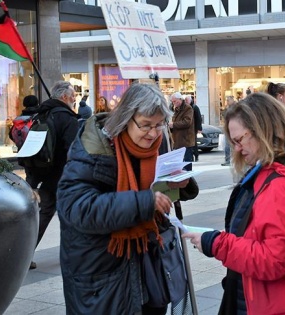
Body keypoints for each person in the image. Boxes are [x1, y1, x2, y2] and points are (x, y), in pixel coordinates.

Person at [182, 92, 285, 315]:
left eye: (240, 139)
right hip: (284, 298)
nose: (237, 149)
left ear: (263, 130)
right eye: (233, 142)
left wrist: (217, 244)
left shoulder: (281, 185)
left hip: (284, 303)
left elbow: (275, 259)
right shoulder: (282, 172)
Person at [56, 83, 194, 314]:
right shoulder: (92, 151)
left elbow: (156, 188)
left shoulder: (154, 146)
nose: (153, 133)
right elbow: (79, 209)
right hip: (103, 274)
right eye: (146, 125)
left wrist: (179, 183)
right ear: (125, 119)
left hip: (149, 270)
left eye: (159, 125)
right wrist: (143, 202)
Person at [27, 81, 79, 269]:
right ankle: (74, 254)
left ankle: (23, 255)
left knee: (44, 215)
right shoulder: (67, 117)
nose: (75, 98)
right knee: (71, 216)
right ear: (64, 97)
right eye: (73, 95)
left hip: (44, 174)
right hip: (63, 175)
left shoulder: (41, 113)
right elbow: (73, 149)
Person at [169, 92, 195, 170]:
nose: (173, 103)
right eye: (172, 101)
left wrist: (173, 125)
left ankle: (188, 180)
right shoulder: (177, 108)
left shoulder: (187, 108)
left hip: (185, 140)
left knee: (186, 163)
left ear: (180, 99)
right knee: (180, 163)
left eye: (174, 101)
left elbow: (187, 122)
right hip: (178, 140)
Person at [186, 95, 202, 162]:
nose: (186, 102)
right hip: (188, 128)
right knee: (189, 142)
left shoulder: (195, 107)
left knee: (194, 142)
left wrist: (199, 128)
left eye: (187, 100)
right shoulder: (186, 108)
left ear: (190, 100)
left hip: (194, 127)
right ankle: (191, 156)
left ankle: (196, 155)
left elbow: (198, 118)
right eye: (185, 100)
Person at [221, 95, 236, 166]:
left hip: (234, 128)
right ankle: (227, 160)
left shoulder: (236, 107)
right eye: (227, 100)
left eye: (228, 100)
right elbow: (223, 115)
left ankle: (235, 160)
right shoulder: (227, 108)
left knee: (234, 145)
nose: (227, 102)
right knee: (227, 145)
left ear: (232, 100)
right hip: (228, 127)